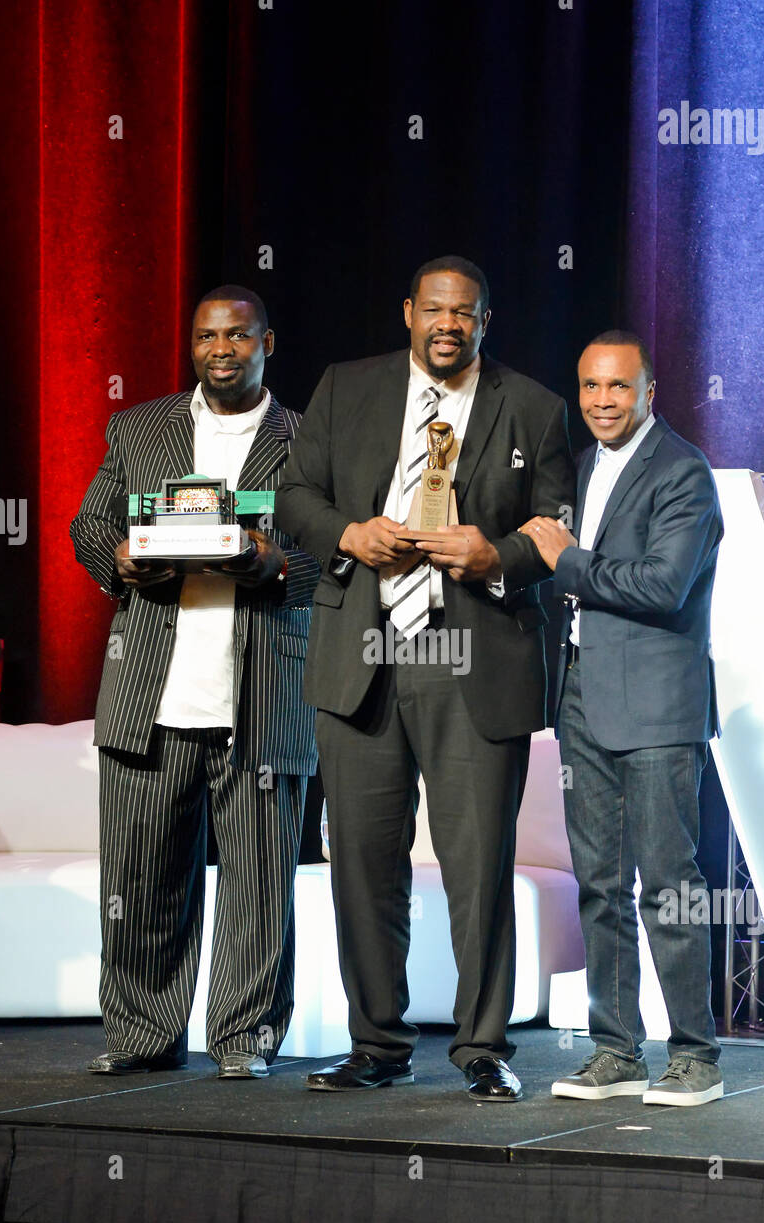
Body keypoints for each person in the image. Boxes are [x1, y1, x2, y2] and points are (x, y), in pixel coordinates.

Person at [275, 256, 573, 1101]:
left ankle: (483, 1046)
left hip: (472, 657)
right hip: (362, 654)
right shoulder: (346, 387)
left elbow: (556, 521)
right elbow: (294, 496)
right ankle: (377, 1043)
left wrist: (498, 555)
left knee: (479, 866)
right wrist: (348, 535)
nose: (449, 324)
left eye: (465, 313)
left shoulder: (537, 408)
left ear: (486, 320)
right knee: (364, 863)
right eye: (435, 309)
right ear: (409, 312)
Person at [70, 285, 319, 1079]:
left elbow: (336, 555)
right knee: (140, 880)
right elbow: (90, 522)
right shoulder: (138, 427)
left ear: (267, 344)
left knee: (257, 887)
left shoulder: (308, 440)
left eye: (238, 336)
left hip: (263, 696)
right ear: (192, 343)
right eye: (208, 336)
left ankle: (244, 1040)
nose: (222, 349)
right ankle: (143, 1034)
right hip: (150, 692)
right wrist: (120, 558)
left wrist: (271, 561)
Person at [523, 330, 724, 1106]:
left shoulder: (683, 471)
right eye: (590, 389)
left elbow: (663, 585)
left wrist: (566, 561)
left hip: (658, 707)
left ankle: (695, 1056)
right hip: (582, 699)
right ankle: (616, 1050)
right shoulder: (579, 468)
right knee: (599, 883)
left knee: (668, 883)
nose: (602, 402)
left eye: (618, 388)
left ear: (649, 392)